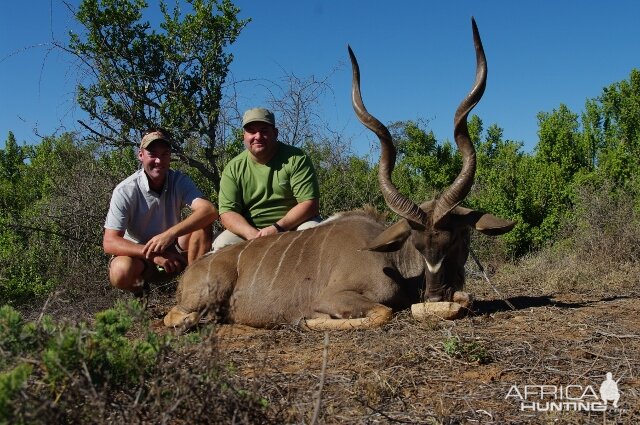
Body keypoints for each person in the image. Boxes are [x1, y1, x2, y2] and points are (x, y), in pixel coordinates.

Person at [103, 129, 218, 295]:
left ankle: (194, 290)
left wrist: (169, 235)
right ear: (141, 155)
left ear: (170, 157)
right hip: (140, 256)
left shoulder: (178, 180)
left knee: (204, 222)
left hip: (174, 250)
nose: (159, 160)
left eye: (164, 154)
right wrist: (154, 255)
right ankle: (139, 290)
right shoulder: (125, 190)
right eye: (152, 154)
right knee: (120, 272)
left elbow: (209, 210)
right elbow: (110, 242)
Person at [213, 107, 321, 250]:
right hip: (252, 230)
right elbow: (227, 213)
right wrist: (251, 233)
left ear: (275, 133)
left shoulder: (296, 158)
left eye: (264, 131)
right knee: (221, 245)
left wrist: (277, 228)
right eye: (251, 131)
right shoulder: (233, 167)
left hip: (293, 226)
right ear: (243, 136)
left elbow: (309, 203)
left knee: (314, 234)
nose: (257, 136)